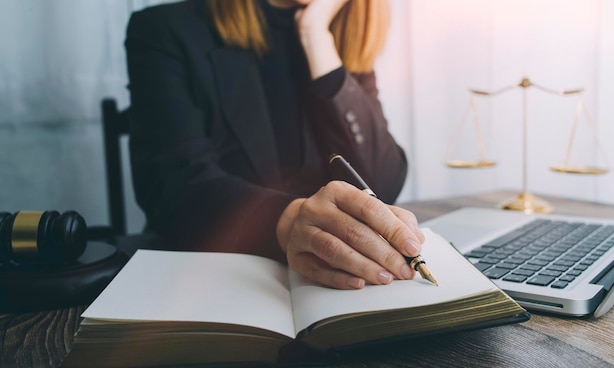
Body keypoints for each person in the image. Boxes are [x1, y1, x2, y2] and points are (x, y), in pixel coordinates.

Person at [124, 0, 425, 290]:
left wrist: (316, 35)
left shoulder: (340, 31)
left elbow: (382, 183)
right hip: (216, 281)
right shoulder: (165, 30)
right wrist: (289, 221)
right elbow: (173, 189)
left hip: (341, 289)